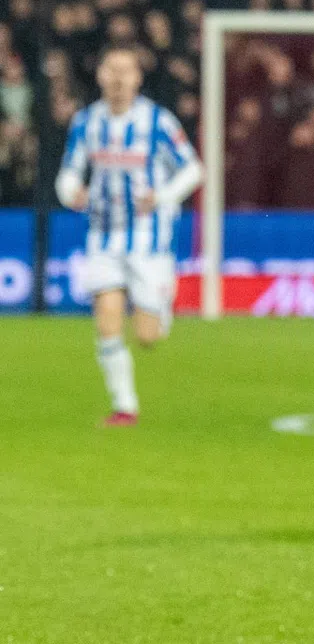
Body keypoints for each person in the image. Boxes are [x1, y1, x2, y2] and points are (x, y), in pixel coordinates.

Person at [55, 44, 202, 427]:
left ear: (138, 77)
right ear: (100, 74)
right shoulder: (86, 122)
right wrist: (71, 192)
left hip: (148, 241)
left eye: (126, 70)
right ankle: (125, 406)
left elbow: (192, 170)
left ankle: (162, 299)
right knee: (106, 320)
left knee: (148, 337)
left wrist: (164, 196)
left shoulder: (158, 122)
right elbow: (69, 171)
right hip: (103, 237)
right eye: (111, 69)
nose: (118, 78)